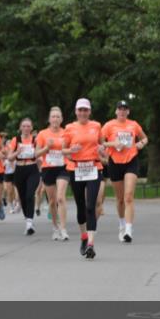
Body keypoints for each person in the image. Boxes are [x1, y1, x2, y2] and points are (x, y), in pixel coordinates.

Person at [102, 100, 149, 243]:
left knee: (128, 196)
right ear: (116, 111)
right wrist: (113, 144)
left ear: (128, 112)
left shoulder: (133, 124)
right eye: (120, 109)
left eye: (125, 109)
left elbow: (145, 138)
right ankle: (122, 224)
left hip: (131, 161)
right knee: (120, 199)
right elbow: (99, 142)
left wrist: (141, 143)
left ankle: (128, 230)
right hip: (115, 162)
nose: (122, 111)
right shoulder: (109, 125)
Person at [63, 98, 103, 259]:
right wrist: (71, 149)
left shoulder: (96, 126)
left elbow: (102, 145)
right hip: (76, 168)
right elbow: (63, 150)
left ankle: (91, 244)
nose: (83, 113)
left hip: (94, 167)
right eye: (80, 110)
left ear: (89, 111)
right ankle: (84, 237)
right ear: (76, 111)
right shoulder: (69, 128)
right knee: (81, 206)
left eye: (85, 110)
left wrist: (102, 149)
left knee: (90, 206)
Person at [36, 106, 70, 241]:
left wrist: (66, 149)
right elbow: (36, 153)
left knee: (60, 197)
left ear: (61, 119)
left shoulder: (66, 133)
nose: (55, 119)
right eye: (53, 116)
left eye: (58, 116)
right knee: (52, 201)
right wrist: (47, 148)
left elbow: (70, 150)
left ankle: (63, 228)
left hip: (63, 167)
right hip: (48, 168)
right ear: (49, 119)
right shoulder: (42, 134)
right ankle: (55, 227)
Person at [6, 118, 41, 236]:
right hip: (20, 170)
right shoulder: (15, 140)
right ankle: (28, 220)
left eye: (28, 126)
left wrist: (39, 157)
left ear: (31, 128)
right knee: (23, 197)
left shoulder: (35, 140)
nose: (26, 128)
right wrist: (17, 152)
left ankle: (29, 223)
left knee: (30, 195)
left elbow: (38, 154)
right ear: (20, 128)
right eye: (24, 126)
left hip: (32, 169)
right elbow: (10, 157)